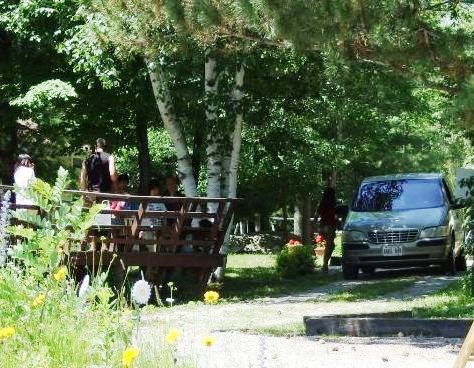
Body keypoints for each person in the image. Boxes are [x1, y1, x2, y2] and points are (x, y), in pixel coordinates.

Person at [140, 180, 167, 252]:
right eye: (153, 189)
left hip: (159, 228)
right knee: (148, 235)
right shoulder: (144, 203)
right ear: (149, 190)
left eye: (156, 189)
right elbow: (141, 219)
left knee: (160, 236)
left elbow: (165, 218)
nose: (155, 191)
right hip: (147, 228)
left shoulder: (161, 204)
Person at [316, 186, 338, 274]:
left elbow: (317, 214)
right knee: (330, 246)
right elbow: (335, 216)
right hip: (329, 227)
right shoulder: (333, 204)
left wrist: (314, 222)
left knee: (331, 245)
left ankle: (325, 265)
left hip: (322, 226)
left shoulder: (322, 203)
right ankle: (325, 265)